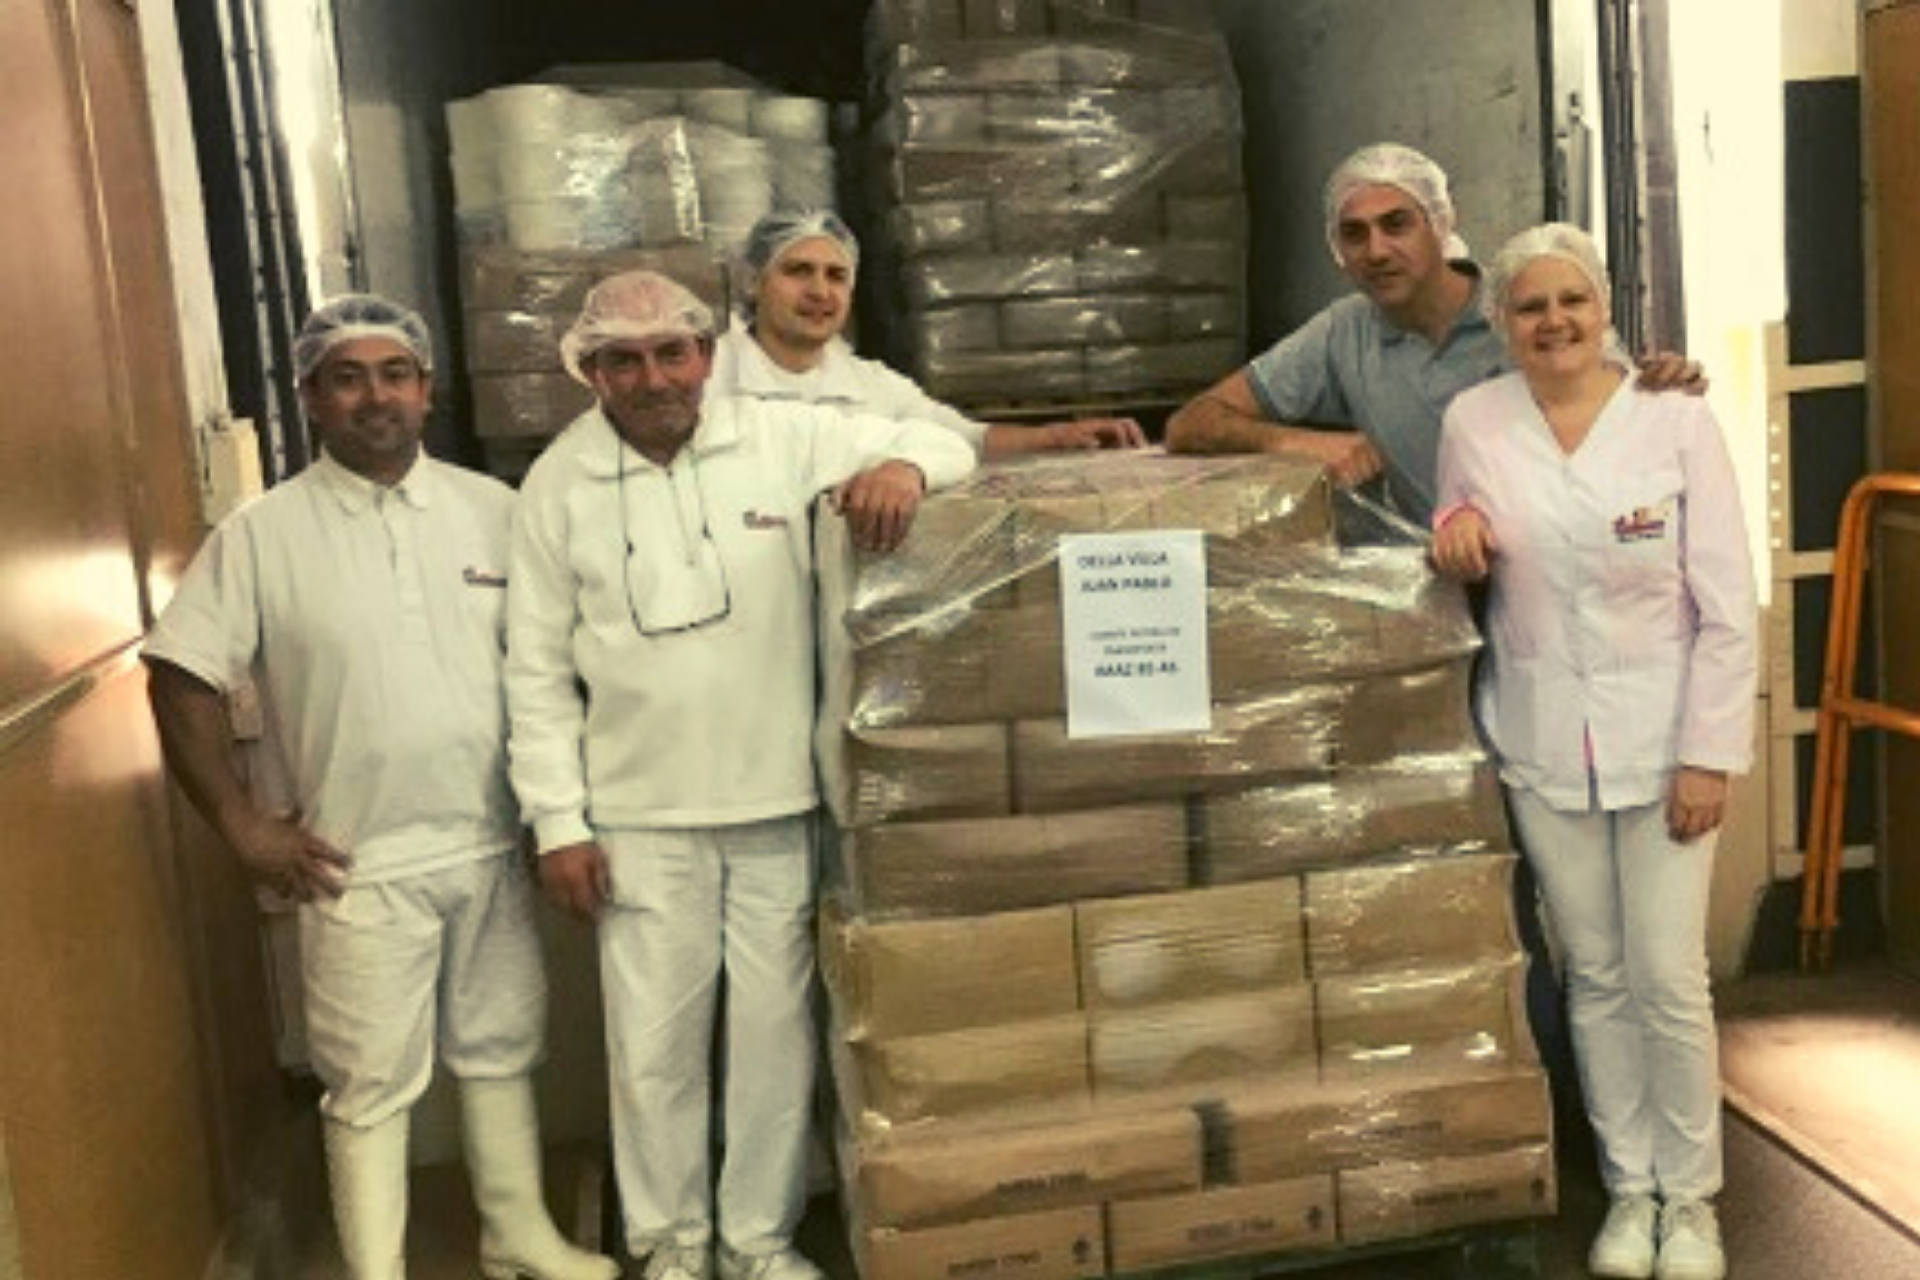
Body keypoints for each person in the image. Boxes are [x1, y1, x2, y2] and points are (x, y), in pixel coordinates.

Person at [504, 271, 975, 1280]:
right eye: (624, 360)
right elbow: (533, 671)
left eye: (672, 353)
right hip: (635, 817)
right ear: (591, 372)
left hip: (777, 803)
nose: (653, 378)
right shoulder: (558, 483)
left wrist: (902, 467)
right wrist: (558, 823)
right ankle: (671, 1246)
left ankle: (758, 1241)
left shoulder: (779, 436)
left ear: (706, 356)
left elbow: (950, 441)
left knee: (773, 1040)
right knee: (653, 1047)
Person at [143, 296, 617, 1280]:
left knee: (500, 1048)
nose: (376, 397)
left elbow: (555, 667)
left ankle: (517, 1233)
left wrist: (555, 810)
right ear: (312, 397)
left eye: (395, 374)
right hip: (353, 862)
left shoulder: (495, 512)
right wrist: (241, 825)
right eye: (348, 378)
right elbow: (179, 674)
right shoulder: (263, 534)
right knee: (367, 1085)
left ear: (426, 389)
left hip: (492, 843)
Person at [1430, 224, 1756, 1280]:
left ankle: (1691, 1201)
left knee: (1668, 973)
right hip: (1539, 735)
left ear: (1606, 308)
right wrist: (1456, 529)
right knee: (1596, 975)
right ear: (1503, 322)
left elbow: (1726, 606)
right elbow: (1458, 530)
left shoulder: (1675, 417)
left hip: (1666, 741)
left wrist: (1709, 753)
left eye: (1572, 300)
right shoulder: (1475, 419)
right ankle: (1630, 1190)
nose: (1554, 321)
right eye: (1531, 306)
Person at [1165, 142, 1700, 526]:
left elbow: (1624, 422)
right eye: (1354, 234)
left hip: (1558, 582)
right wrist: (1299, 443)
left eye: (1396, 224)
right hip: (1441, 589)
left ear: (1441, 223)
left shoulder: (1524, 311)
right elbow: (1191, 423)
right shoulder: (1344, 333)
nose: (1376, 250)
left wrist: (1660, 384)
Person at [708, 207, 1149, 464]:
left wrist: (1056, 437)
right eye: (798, 271)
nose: (820, 292)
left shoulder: (873, 386)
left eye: (836, 276)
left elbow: (969, 438)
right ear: (754, 281)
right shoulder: (707, 378)